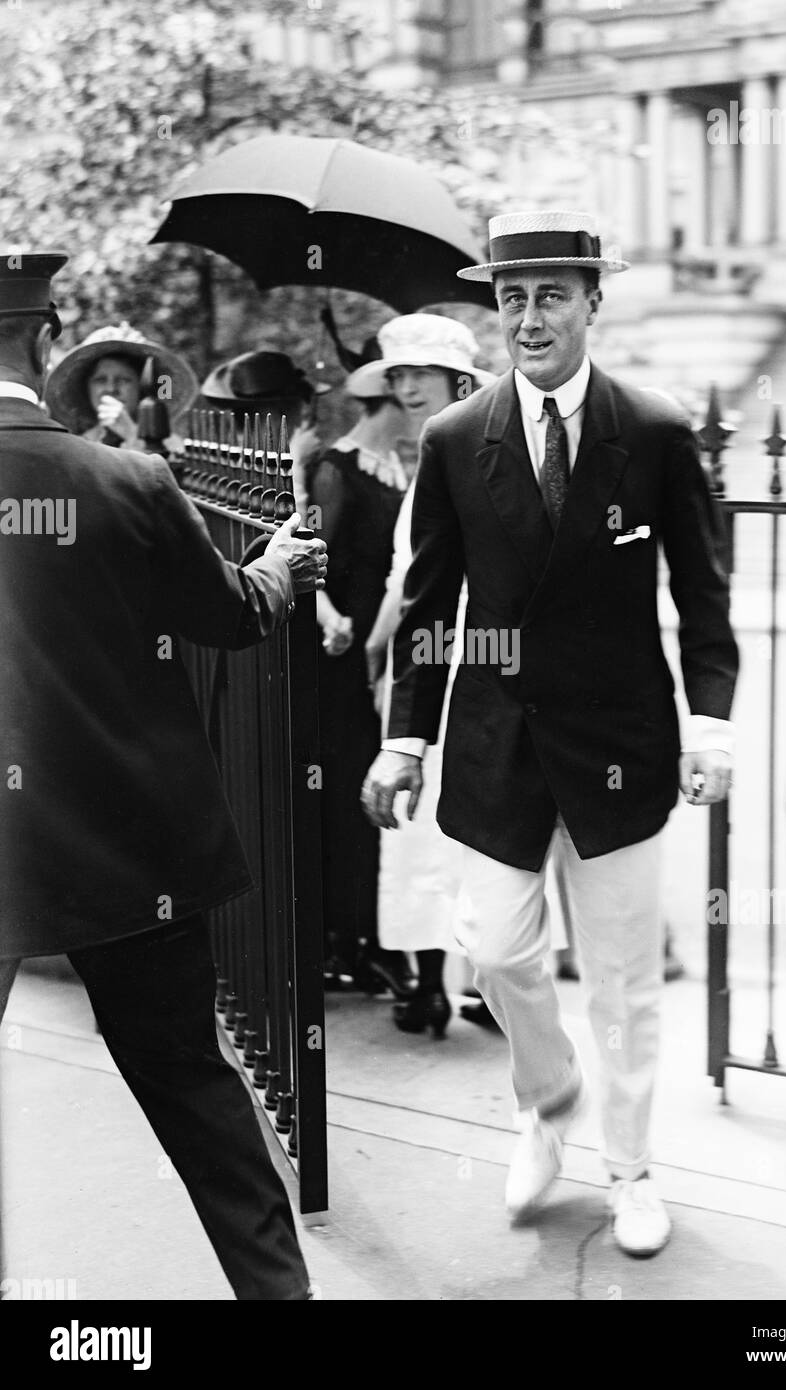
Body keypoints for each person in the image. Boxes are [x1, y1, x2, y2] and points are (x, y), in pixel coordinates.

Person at [362, 211, 738, 1257]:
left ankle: (630, 1171)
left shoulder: (654, 430)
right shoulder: (451, 437)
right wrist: (404, 741)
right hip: (495, 743)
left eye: (550, 297)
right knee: (494, 951)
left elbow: (704, 596)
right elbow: (430, 603)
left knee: (620, 982)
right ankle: (546, 1093)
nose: (528, 319)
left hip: (621, 749)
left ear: (591, 303)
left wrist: (710, 726)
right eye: (512, 298)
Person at [0, 253, 328, 1300]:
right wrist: (279, 566)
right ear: (47, 341)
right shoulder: (130, 482)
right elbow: (230, 614)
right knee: (194, 1088)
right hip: (124, 848)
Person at [351, 314, 495, 1038]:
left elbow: (411, 583)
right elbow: (405, 579)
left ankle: (479, 981)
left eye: (420, 375)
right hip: (435, 658)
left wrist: (376, 648)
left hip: (471, 658)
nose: (406, 387)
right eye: (397, 376)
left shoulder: (473, 451)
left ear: (457, 380)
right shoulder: (433, 459)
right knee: (429, 822)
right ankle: (437, 980)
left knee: (475, 820)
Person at [307, 365, 411, 995]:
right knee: (347, 795)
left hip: (390, 655)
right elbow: (309, 551)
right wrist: (331, 619)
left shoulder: (399, 468)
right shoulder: (334, 469)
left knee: (376, 794)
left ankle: (376, 938)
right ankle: (343, 942)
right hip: (343, 657)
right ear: (390, 398)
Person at [200, 348, 331, 516]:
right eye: (296, 412)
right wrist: (295, 463)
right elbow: (289, 533)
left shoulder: (237, 455)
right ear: (275, 416)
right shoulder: (235, 468)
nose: (299, 422)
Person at [44, 320, 197, 450]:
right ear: (87, 387)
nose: (111, 389)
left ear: (141, 387)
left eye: (123, 380)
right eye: (100, 380)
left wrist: (131, 434)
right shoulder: (77, 446)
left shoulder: (169, 444)